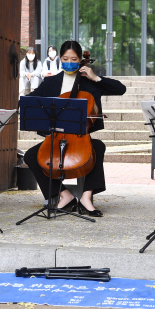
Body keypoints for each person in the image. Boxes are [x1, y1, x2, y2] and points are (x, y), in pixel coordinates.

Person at [24, 40, 126, 217]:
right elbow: (32, 100)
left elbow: (121, 89)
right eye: (65, 58)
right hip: (56, 137)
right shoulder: (51, 82)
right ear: (60, 59)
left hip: (80, 137)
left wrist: (96, 78)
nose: (69, 62)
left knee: (98, 147)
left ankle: (87, 197)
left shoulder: (90, 82)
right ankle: (64, 195)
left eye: (73, 59)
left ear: (80, 59)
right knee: (31, 156)